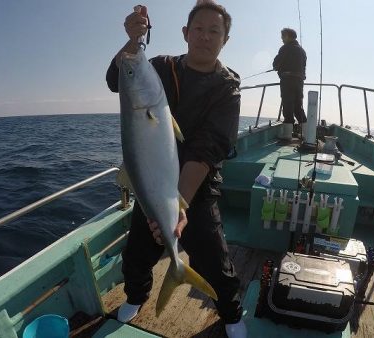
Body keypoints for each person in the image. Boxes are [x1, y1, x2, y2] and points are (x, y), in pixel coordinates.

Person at [106, 2, 246, 338]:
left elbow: (208, 148)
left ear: (225, 39)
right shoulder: (159, 67)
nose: (205, 36)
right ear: (185, 33)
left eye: (215, 31)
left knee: (216, 264)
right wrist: (133, 40)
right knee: (136, 255)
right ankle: (137, 296)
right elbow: (117, 78)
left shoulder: (227, 87)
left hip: (196, 189)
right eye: (198, 29)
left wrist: (178, 207)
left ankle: (231, 314)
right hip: (152, 187)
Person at [273, 27, 307, 141]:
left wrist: (277, 67)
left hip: (287, 81)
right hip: (299, 82)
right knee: (298, 106)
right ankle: (306, 135)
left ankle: (287, 135)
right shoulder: (302, 51)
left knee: (288, 105)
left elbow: (276, 64)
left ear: (287, 36)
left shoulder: (285, 48)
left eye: (283, 37)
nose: (282, 39)